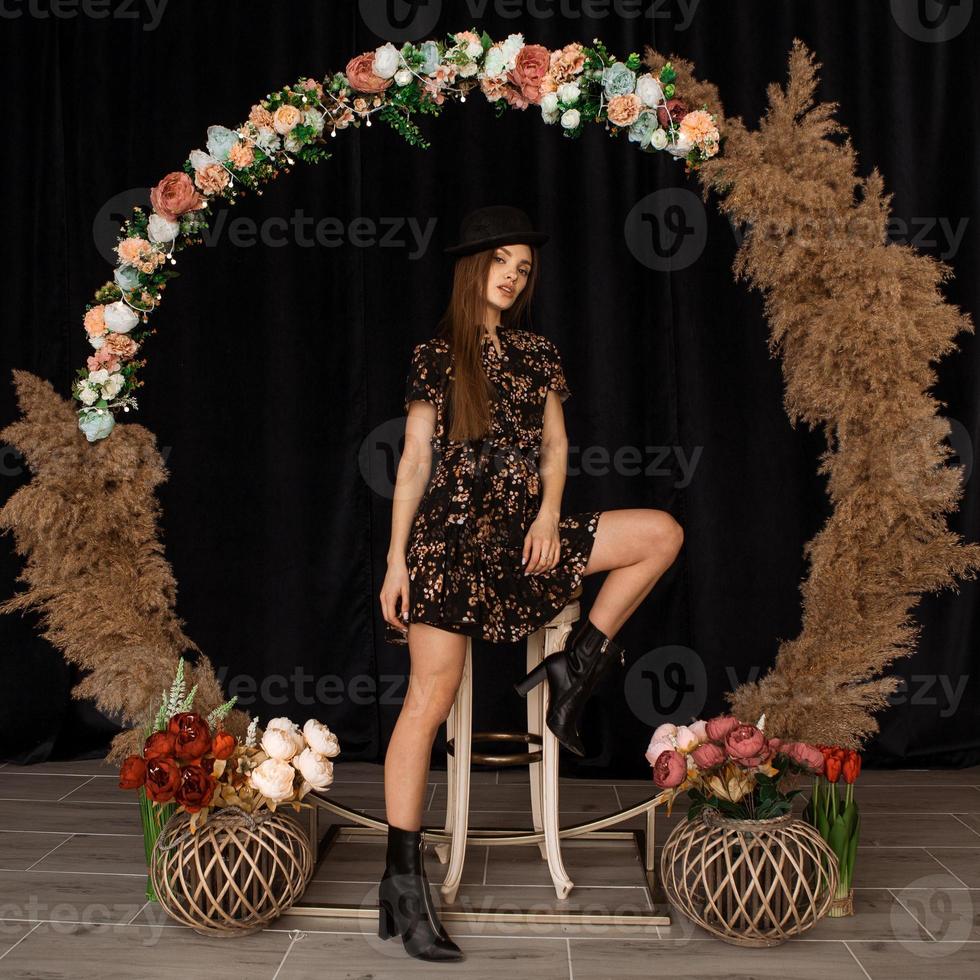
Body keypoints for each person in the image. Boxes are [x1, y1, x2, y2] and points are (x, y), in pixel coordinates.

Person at [377, 205, 684, 961]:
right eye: (501, 262)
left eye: (524, 266)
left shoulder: (537, 351)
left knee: (660, 534)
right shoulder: (435, 352)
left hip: (524, 543)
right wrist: (396, 559)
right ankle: (402, 881)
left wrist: (550, 516)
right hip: (447, 544)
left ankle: (574, 662)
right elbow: (415, 460)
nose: (514, 276)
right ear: (472, 267)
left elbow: (556, 443)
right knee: (428, 701)